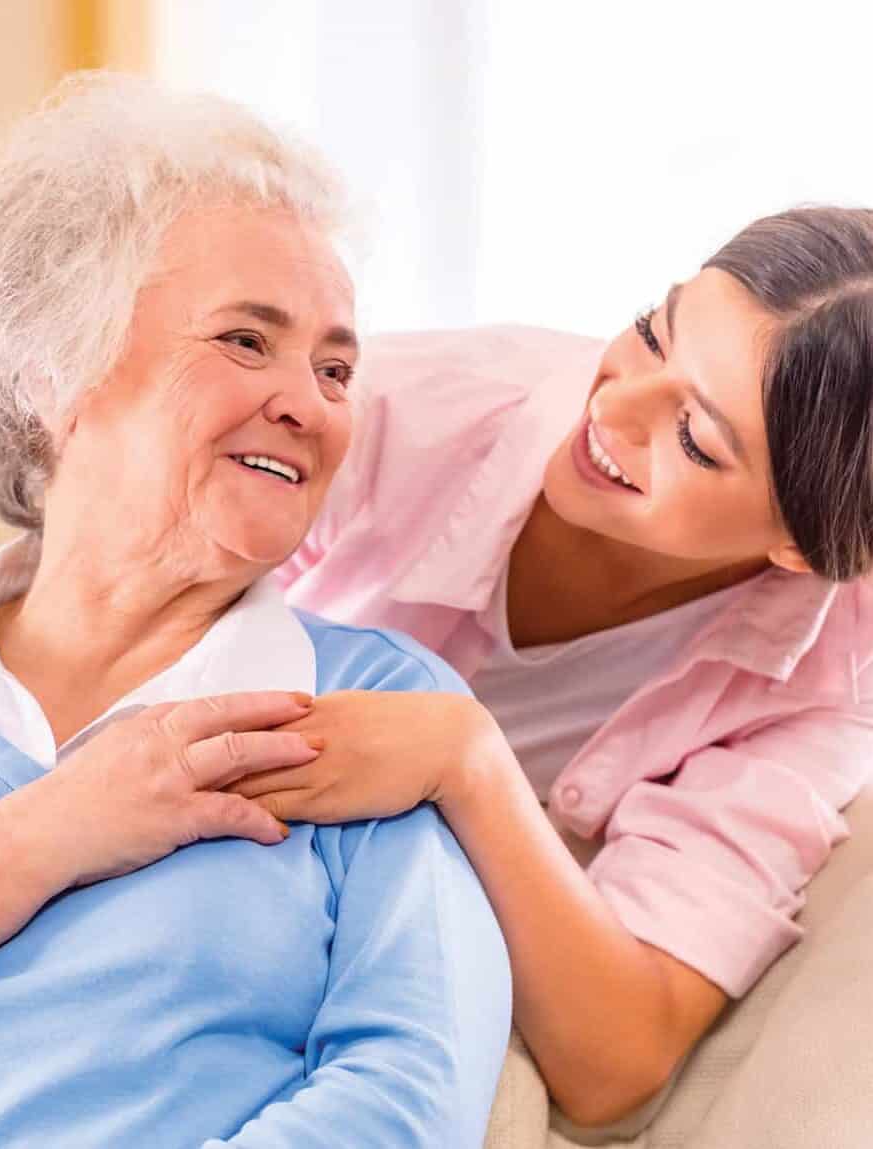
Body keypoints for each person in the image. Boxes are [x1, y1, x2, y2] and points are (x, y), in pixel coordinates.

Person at [0, 74, 509, 1147]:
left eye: (336, 366)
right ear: (58, 368)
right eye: (246, 339)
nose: (310, 403)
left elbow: (405, 1100)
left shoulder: (375, 711)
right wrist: (49, 831)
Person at [229, 206, 873, 1126]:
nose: (611, 407)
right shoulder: (392, 410)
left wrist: (467, 763)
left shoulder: (829, 677)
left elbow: (617, 1059)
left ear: (799, 548)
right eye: (654, 332)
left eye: (695, 437)